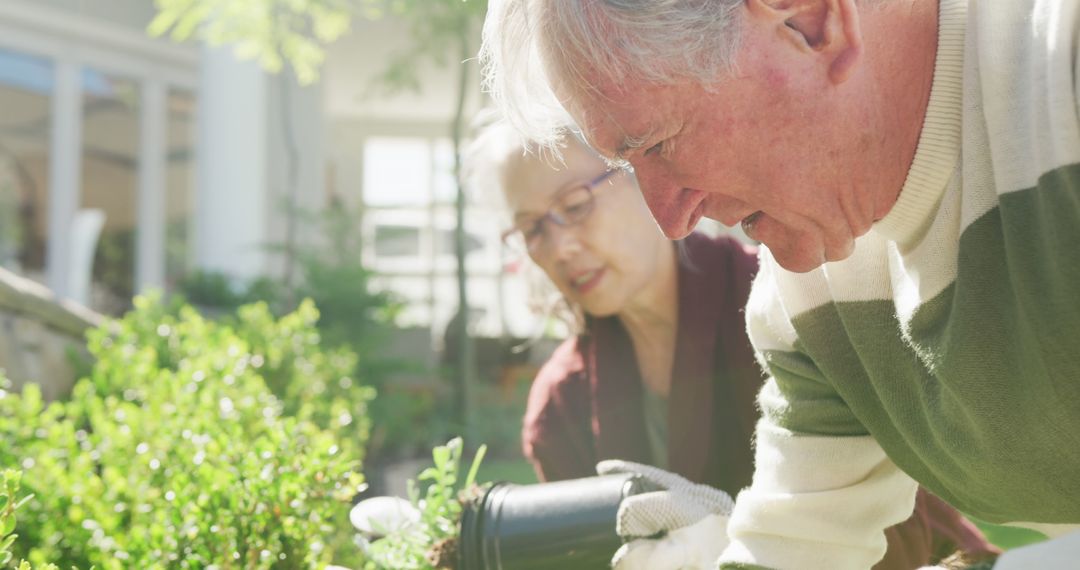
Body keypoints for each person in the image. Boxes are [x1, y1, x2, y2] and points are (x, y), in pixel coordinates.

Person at [480, 0, 1080, 569]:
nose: (670, 219)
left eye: (659, 143)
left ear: (811, 20)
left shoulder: (1062, 76)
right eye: (633, 167)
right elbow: (799, 542)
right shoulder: (808, 298)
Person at [464, 116, 997, 569]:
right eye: (533, 229)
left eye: (576, 205)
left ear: (642, 173)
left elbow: (890, 522)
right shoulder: (560, 407)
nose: (560, 245)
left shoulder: (793, 300)